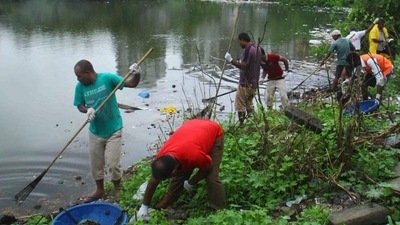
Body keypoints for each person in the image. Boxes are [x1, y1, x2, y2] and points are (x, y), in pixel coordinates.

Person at [73, 59, 141, 203]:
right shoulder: (80, 87)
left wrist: (137, 74)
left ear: (87, 72)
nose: (77, 79)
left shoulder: (108, 78)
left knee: (113, 164)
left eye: (79, 76)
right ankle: (100, 190)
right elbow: (79, 105)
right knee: (96, 164)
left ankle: (117, 189)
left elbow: (132, 83)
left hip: (113, 129)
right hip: (95, 130)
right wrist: (87, 110)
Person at [136, 119, 226, 218]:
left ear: (174, 170)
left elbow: (208, 167)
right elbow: (152, 183)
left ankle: (219, 211)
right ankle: (162, 206)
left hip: (213, 132)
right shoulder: (161, 159)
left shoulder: (194, 155)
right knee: (178, 179)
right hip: (192, 129)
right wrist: (144, 207)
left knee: (211, 178)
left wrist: (192, 182)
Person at [224, 32, 262, 125]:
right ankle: (252, 124)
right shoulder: (258, 49)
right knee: (249, 104)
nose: (239, 44)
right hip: (254, 84)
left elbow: (244, 66)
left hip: (246, 83)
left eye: (239, 42)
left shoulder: (249, 50)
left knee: (240, 105)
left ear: (242, 40)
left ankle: (241, 125)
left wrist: (231, 60)